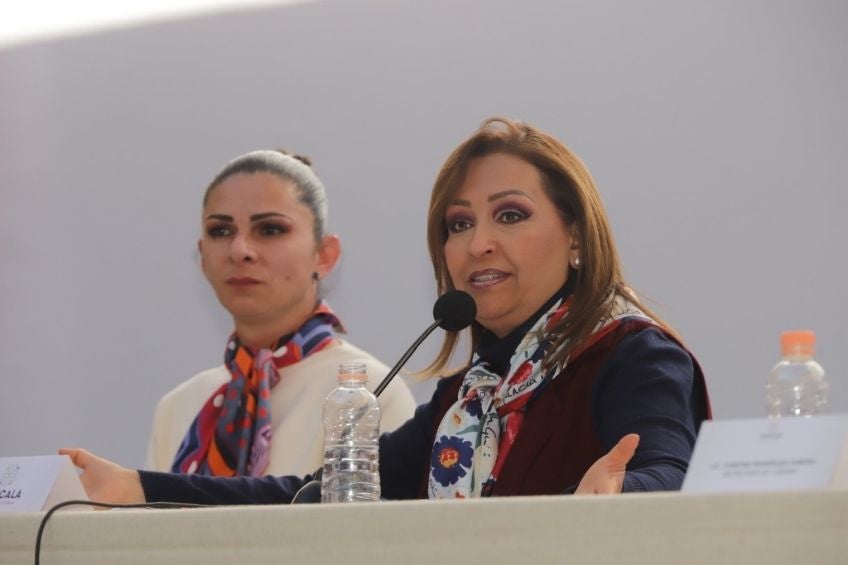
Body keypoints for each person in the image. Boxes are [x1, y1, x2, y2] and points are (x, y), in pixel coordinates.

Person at [62, 118, 709, 504]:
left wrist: (623, 494)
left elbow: (670, 475)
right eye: (458, 224)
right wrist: (142, 489)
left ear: (575, 235)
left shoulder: (630, 354)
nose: (478, 242)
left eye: (510, 215)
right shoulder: (467, 396)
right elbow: (313, 496)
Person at [143, 149, 415, 478]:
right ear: (203, 258)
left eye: (270, 230)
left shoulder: (368, 392)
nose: (239, 250)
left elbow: (378, 530)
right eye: (220, 231)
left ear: (324, 255)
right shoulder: (178, 407)